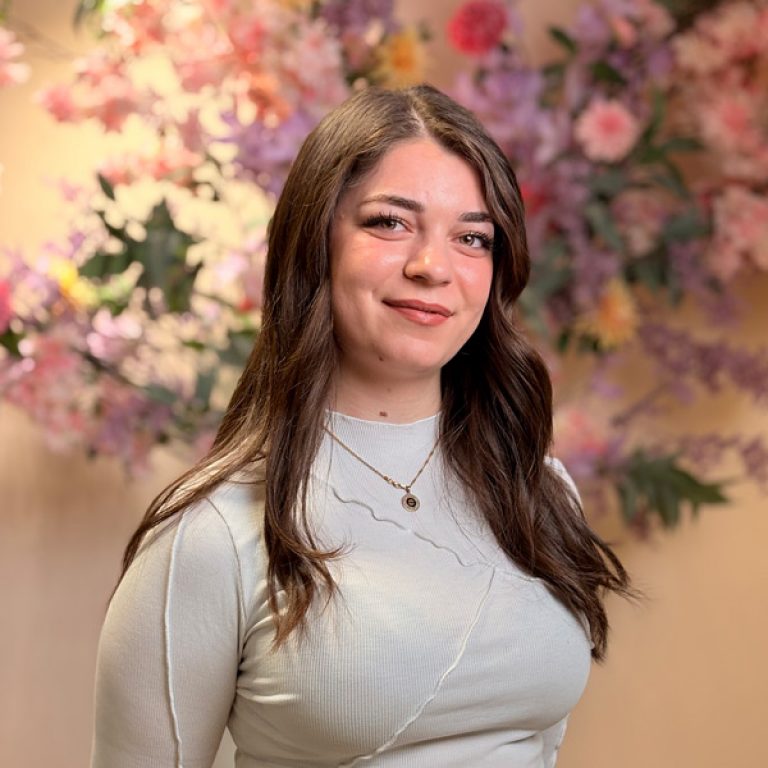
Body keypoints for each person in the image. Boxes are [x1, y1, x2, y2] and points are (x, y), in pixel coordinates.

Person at [91, 84, 631, 768]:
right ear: (314, 242)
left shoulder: (538, 491)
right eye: (390, 223)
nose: (432, 267)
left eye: (472, 237)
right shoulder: (211, 532)